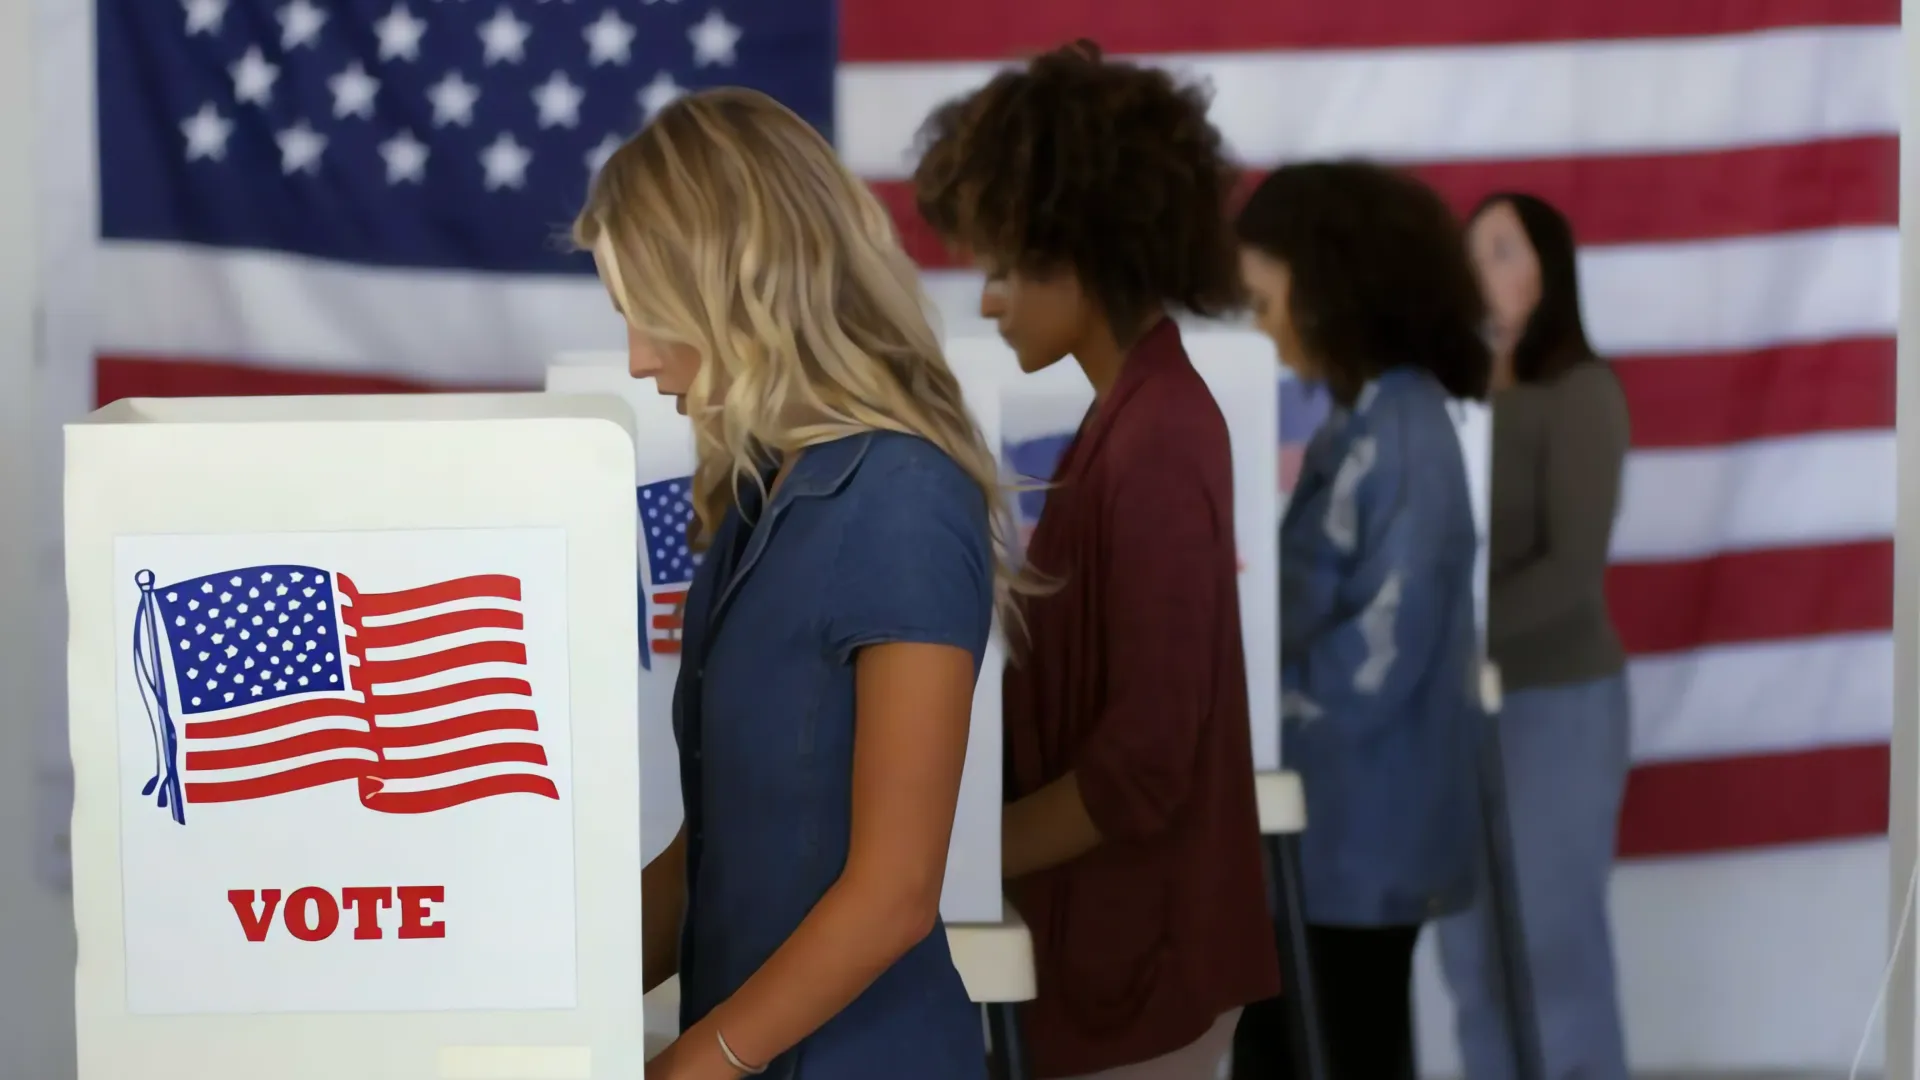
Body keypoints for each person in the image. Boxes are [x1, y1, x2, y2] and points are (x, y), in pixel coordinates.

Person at [575, 87, 1028, 1079]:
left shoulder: (902, 495)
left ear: (743, 284)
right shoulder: (754, 498)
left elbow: (895, 891)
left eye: (651, 317)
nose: (639, 360)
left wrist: (693, 1065)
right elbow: (715, 856)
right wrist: (538, 997)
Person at [912, 41, 1279, 1080]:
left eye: (1003, 266)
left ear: (1081, 251)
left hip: (1144, 959)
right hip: (1117, 948)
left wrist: (951, 864)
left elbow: (1146, 760)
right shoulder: (1132, 417)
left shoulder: (1158, 436)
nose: (987, 302)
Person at [1230, 160, 1491, 1080]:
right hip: (1327, 829)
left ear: (1333, 288)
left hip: (1362, 834)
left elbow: (1382, 654)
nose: (1259, 326)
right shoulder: (1360, 421)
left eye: (1265, 302)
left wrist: (1250, 717)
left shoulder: (1407, 431)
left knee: (1328, 1047)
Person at [1434, 192, 1633, 1080]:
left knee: (1554, 946)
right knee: (1471, 960)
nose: (1483, 267)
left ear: (1548, 270)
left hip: (1555, 703)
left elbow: (1572, 570)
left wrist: (1453, 641)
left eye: (1503, 249)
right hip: (1455, 714)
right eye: (1473, 251)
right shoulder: (1447, 395)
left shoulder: (1583, 392)